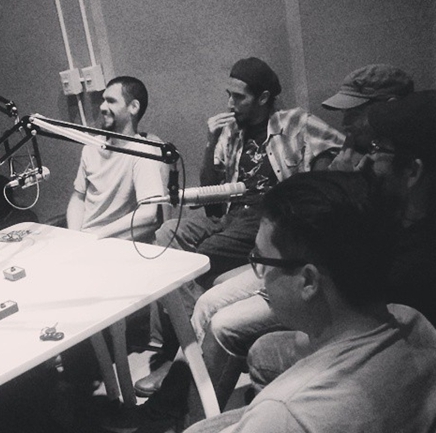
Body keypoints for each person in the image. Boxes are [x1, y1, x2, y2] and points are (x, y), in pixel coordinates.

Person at [145, 172, 436, 433]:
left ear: (308, 281)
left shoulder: (284, 418)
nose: (260, 276)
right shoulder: (414, 324)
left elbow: (282, 427)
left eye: (260, 260)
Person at [134, 57, 343, 396]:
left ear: (263, 98)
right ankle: (188, 345)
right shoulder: (231, 131)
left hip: (266, 216)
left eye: (239, 97)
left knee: (198, 256)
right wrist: (209, 142)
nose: (230, 104)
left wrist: (308, 187)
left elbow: (340, 150)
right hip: (230, 212)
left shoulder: (295, 122)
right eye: (228, 95)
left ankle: (188, 355)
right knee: (165, 235)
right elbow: (211, 199)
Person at [247, 89, 436, 393]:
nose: (367, 161)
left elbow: (354, 327)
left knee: (264, 350)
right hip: (373, 337)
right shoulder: (399, 216)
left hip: (387, 375)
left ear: (412, 171)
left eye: (379, 148)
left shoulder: (414, 262)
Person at [67, 76, 165, 241]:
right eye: (103, 100)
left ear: (133, 107)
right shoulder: (91, 147)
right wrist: (74, 236)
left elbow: (148, 213)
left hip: (115, 241)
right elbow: (78, 197)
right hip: (84, 240)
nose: (102, 107)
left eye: (111, 101)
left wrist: (95, 236)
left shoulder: (142, 152)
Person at [321, 64, 414, 171]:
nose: (344, 123)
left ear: (391, 108)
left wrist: (349, 179)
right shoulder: (355, 153)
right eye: (344, 113)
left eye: (355, 113)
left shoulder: (414, 159)